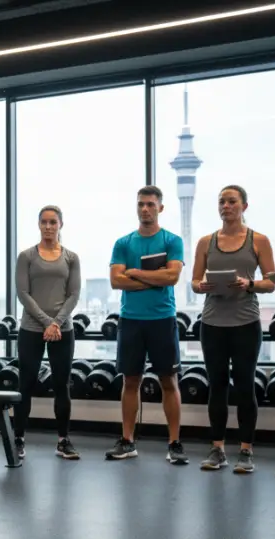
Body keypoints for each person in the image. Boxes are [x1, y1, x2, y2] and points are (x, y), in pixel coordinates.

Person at [190, 185, 275, 473]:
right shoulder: (206, 242)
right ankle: (217, 449)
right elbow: (193, 281)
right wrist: (200, 285)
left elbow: (271, 282)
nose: (226, 206)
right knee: (216, 386)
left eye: (231, 202)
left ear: (244, 206)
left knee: (244, 386)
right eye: (221, 202)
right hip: (213, 323)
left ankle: (246, 450)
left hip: (246, 324)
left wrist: (248, 284)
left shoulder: (258, 240)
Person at [107, 186, 187, 464]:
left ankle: (174, 443)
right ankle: (127, 441)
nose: (145, 209)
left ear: (160, 208)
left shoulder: (172, 240)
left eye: (151, 204)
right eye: (141, 204)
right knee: (130, 381)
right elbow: (116, 281)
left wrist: (138, 273)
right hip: (131, 320)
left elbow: (172, 277)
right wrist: (156, 276)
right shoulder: (123, 243)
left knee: (169, 380)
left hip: (162, 319)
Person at [13, 205, 82, 460]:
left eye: (53, 222)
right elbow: (23, 294)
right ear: (38, 225)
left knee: (62, 385)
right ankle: (18, 438)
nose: (48, 227)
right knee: (26, 384)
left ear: (60, 224)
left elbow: (74, 294)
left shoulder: (71, 258)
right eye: (44, 222)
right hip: (31, 328)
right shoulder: (27, 256)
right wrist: (46, 322)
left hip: (62, 330)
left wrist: (57, 322)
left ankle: (63, 440)